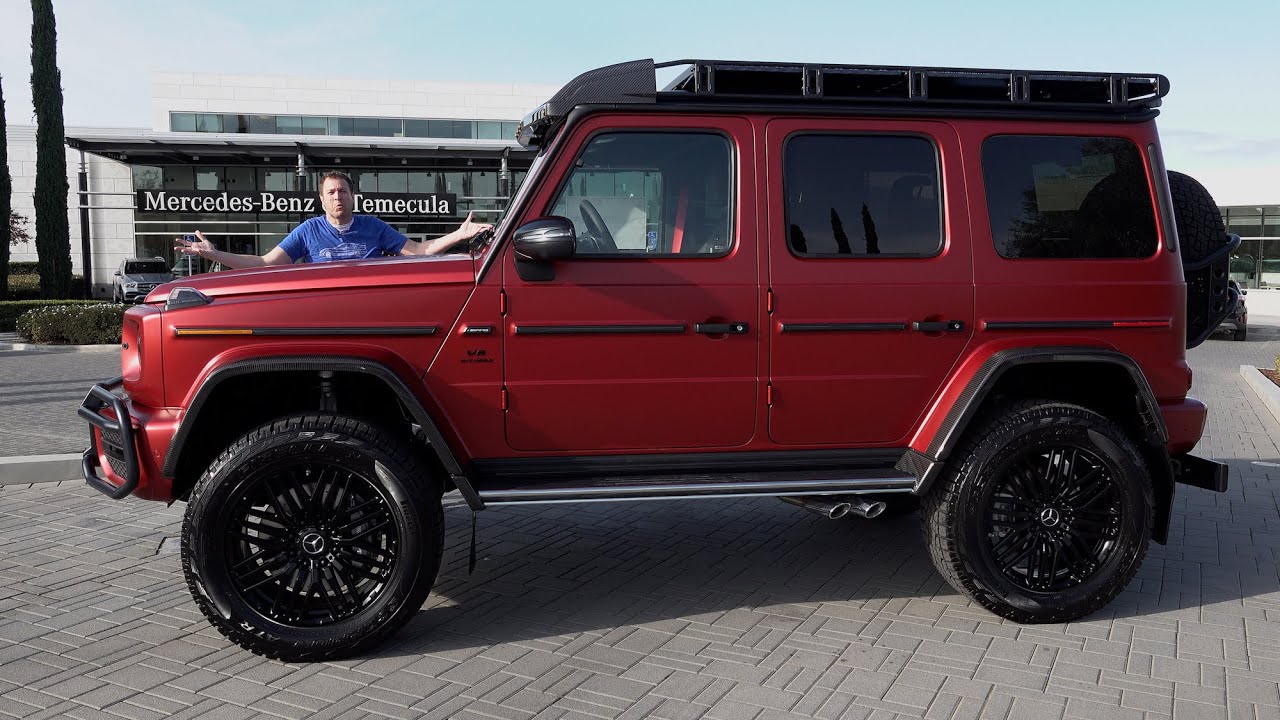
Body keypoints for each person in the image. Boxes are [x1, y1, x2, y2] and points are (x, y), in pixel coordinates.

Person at [173, 171, 492, 269]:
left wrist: (459, 235)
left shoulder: (373, 227)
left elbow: (419, 251)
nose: (338, 197)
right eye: (331, 192)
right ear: (322, 200)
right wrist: (213, 253)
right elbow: (266, 263)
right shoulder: (309, 230)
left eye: (343, 191)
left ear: (352, 196)